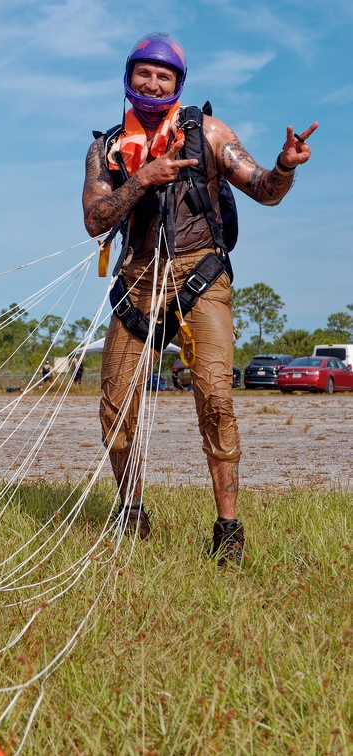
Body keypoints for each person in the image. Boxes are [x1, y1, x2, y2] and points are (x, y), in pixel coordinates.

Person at [82, 32, 317, 562]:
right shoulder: (107, 148)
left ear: (178, 84)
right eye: (144, 72)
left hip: (201, 274)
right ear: (128, 77)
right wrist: (142, 177)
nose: (153, 82)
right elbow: (95, 219)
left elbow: (263, 190)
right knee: (115, 409)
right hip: (136, 279)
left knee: (215, 398)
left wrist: (285, 166)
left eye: (164, 75)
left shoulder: (209, 133)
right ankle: (131, 513)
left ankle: (228, 530)